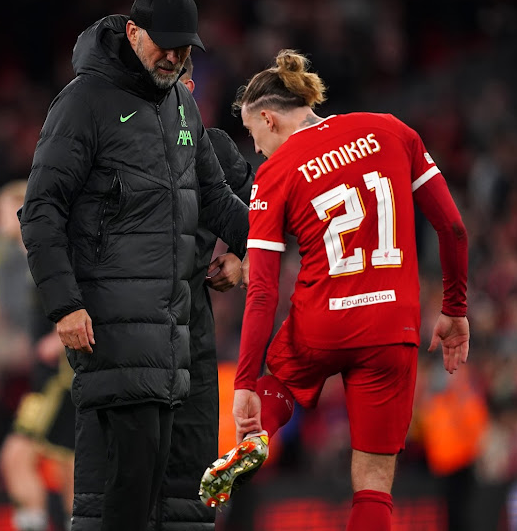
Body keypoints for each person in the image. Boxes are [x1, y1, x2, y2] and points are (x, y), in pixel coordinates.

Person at [199, 50, 470, 531]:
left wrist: (244, 384)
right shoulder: (392, 130)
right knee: (372, 484)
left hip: (322, 322)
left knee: (278, 381)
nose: (257, 150)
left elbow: (262, 291)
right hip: (394, 324)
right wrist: (454, 309)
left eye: (255, 136)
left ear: (268, 118)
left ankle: (260, 429)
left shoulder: (275, 174)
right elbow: (452, 228)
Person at [18, 0, 250, 531]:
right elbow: (40, 209)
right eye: (163, 45)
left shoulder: (182, 106)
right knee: (128, 487)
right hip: (112, 329)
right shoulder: (83, 103)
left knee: (171, 491)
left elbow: (217, 202)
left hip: (175, 334)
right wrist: (64, 305)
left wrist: (255, 244)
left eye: (184, 48)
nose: (173, 57)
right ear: (132, 32)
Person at [150, 57, 254, 530]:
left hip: (191, 331)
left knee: (190, 482)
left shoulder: (210, 148)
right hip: (128, 338)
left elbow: (259, 205)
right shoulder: (116, 142)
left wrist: (239, 256)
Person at [0, 181, 76, 531]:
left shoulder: (48, 253)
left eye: (0, 211)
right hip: (57, 375)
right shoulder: (31, 259)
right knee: (70, 468)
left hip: (59, 375)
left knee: (15, 456)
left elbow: (89, 296)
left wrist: (56, 342)